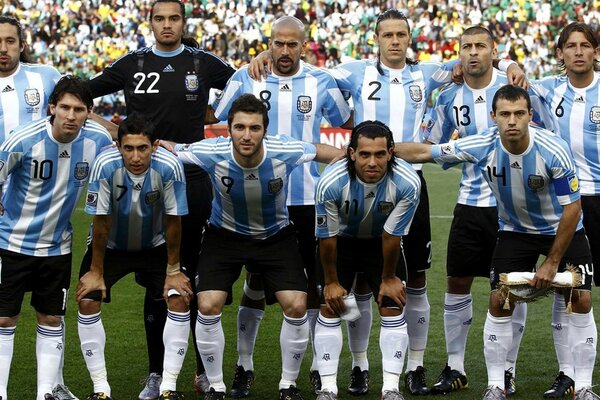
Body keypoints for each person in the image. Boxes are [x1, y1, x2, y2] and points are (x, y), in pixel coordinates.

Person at [250, 11, 526, 395]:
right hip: (359, 185)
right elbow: (302, 68)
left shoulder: (427, 73)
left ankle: (414, 365)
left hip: (409, 186)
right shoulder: (352, 72)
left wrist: (510, 62)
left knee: (414, 280)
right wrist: (264, 57)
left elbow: (469, 58)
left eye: (401, 35)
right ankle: (360, 365)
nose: (395, 41)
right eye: (387, 35)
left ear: (410, 38)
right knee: (361, 281)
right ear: (375, 39)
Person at [395, 85, 597, 400]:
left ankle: (583, 387)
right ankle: (495, 385)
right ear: (494, 117)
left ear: (531, 115)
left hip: (561, 228)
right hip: (515, 230)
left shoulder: (553, 149)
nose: (512, 120)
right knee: (499, 300)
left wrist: (552, 263)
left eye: (519, 113)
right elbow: (425, 152)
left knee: (580, 299)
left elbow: (573, 208)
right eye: (504, 114)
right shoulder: (483, 144)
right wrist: (380, 149)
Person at [86, 0, 236, 397]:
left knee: (197, 280)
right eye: (159, 18)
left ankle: (205, 372)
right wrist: (109, 128)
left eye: (174, 18)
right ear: (150, 22)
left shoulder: (204, 63)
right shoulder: (130, 64)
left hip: (195, 180)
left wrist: (256, 68)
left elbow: (245, 87)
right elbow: (82, 93)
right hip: (145, 184)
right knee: (159, 283)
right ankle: (157, 374)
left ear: (183, 23)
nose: (167, 25)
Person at [163, 93, 343, 400]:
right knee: (207, 306)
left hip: (276, 237)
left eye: (255, 128)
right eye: (240, 127)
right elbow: (171, 149)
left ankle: (288, 385)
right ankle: (217, 386)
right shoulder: (210, 151)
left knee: (298, 306)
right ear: (229, 128)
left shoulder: (284, 149)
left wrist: (351, 164)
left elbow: (327, 152)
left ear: (265, 130)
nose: (247, 135)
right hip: (224, 237)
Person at [210, 15, 351, 397]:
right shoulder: (246, 75)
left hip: (307, 200)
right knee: (253, 284)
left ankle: (319, 370)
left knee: (312, 290)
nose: (284, 51)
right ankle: (244, 366)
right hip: (256, 199)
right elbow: (216, 115)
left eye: (292, 44)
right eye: (278, 43)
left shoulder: (321, 81)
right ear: (269, 43)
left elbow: (346, 120)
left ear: (304, 46)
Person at [423, 26, 551, 396]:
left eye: (481, 46)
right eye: (467, 47)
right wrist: (449, 149)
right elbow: (434, 147)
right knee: (456, 283)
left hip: (512, 209)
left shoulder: (514, 88)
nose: (474, 52)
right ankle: (455, 367)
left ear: (495, 51)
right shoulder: (448, 96)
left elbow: (538, 133)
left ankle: (507, 370)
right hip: (469, 203)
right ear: (458, 53)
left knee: (512, 288)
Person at [0, 75, 113, 400]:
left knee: (51, 319)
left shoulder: (97, 140)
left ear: (88, 112)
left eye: (79, 109)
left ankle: (45, 393)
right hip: (12, 244)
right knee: (5, 319)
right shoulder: (23, 140)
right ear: (52, 108)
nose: (71, 115)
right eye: (64, 107)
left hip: (58, 247)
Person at [74, 113, 190, 400]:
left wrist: (173, 269)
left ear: (155, 145)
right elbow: (100, 223)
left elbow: (174, 222)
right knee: (87, 299)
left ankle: (168, 387)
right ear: (118, 147)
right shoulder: (104, 165)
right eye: (128, 148)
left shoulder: (170, 166)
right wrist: (96, 271)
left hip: (155, 245)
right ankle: (100, 389)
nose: (135, 156)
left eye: (142, 148)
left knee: (179, 296)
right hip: (111, 246)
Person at [313, 120, 421, 400]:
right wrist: (332, 282)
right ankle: (328, 388)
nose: (372, 162)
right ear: (351, 153)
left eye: (380, 154)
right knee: (330, 305)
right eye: (364, 154)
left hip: (380, 244)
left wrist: (388, 278)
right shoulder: (331, 183)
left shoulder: (408, 183)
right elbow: (327, 238)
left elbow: (391, 236)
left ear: (391, 153)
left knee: (391, 304)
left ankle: (390, 388)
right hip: (341, 244)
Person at [529, 22, 600, 399]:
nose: (577, 52)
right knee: (571, 291)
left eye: (585, 46)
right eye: (570, 46)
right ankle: (568, 375)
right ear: (559, 53)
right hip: (567, 201)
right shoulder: (545, 90)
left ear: (595, 52)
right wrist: (509, 66)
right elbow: (513, 77)